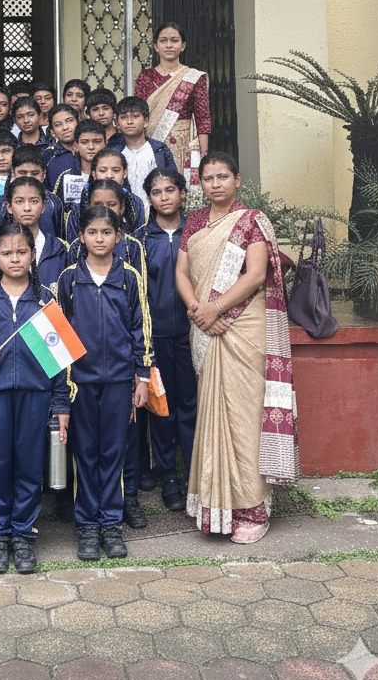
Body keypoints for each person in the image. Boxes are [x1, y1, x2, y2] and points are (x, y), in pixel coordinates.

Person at [175, 152, 298, 544]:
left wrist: (215, 308)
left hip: (244, 326)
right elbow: (182, 272)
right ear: (200, 183)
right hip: (204, 324)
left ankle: (253, 509)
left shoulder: (251, 221)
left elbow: (256, 274)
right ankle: (218, 506)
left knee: (245, 415)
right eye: (208, 178)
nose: (215, 184)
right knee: (213, 413)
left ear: (237, 179)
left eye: (222, 177)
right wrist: (198, 310)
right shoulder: (195, 222)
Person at [0, 221, 70, 574]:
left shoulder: (45, 299)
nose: (14, 259)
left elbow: (59, 357)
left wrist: (60, 402)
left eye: (21, 252)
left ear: (32, 255)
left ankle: (23, 533)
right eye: (7, 253)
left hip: (35, 394)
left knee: (28, 464)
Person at [58, 205, 152, 560]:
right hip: (80, 382)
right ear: (81, 237)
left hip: (119, 381)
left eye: (107, 233)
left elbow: (141, 328)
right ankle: (87, 525)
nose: (100, 239)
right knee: (85, 453)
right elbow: (59, 335)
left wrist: (142, 376)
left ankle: (111, 524)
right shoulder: (69, 278)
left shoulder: (129, 277)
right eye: (92, 233)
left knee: (114, 452)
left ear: (118, 236)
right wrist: (62, 388)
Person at [134, 167, 196, 512]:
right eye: (156, 193)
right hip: (155, 337)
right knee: (162, 408)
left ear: (182, 193)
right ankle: (168, 476)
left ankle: (194, 476)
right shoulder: (140, 240)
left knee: (190, 405)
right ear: (149, 198)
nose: (164, 197)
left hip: (192, 333)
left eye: (170, 190)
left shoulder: (196, 231)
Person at [134, 23, 212, 185]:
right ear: (156, 46)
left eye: (174, 40)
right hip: (152, 142)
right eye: (163, 41)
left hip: (183, 146)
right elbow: (138, 114)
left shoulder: (193, 77)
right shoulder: (145, 77)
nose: (169, 45)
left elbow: (203, 118)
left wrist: (203, 155)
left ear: (183, 46)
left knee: (180, 188)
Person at [4, 176, 69, 293]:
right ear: (9, 207)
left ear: (43, 206)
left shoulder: (59, 249)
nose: (27, 208)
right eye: (19, 202)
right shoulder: (0, 250)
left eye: (34, 201)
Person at [65, 150, 144, 243]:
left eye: (116, 171)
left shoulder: (134, 203)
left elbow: (137, 241)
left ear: (125, 173)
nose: (109, 176)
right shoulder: (78, 210)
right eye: (103, 171)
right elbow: (75, 244)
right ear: (94, 174)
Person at [0, 146, 65, 242]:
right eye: (22, 173)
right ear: (13, 172)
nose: (29, 178)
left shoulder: (53, 202)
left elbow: (59, 238)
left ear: (43, 174)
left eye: (34, 173)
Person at [115, 97, 176, 210]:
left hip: (157, 212)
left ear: (146, 121)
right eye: (123, 117)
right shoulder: (115, 153)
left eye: (135, 116)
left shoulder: (159, 150)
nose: (129, 121)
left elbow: (173, 181)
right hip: (126, 212)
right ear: (117, 123)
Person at [49, 119, 108, 210]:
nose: (91, 147)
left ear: (105, 144)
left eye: (97, 142)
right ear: (76, 146)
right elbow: (57, 211)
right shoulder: (66, 177)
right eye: (84, 142)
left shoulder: (113, 173)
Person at [43, 103, 79, 169]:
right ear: (52, 132)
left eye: (69, 121)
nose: (65, 127)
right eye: (58, 124)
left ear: (78, 123)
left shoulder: (89, 150)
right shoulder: (48, 156)